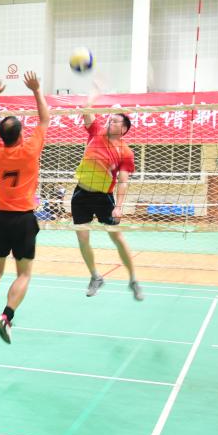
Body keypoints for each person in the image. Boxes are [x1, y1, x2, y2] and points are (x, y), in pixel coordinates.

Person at [0, 72, 48, 344]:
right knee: (24, 273)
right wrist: (36, 90)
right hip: (23, 219)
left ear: (2, 136)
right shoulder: (29, 150)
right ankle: (6, 316)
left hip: (0, 218)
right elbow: (45, 119)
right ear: (21, 134)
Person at [71, 106, 143, 301]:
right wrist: (91, 97)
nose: (111, 121)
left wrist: (118, 206)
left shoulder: (126, 152)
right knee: (82, 238)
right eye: (110, 119)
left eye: (116, 121)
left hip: (104, 197)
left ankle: (133, 279)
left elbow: (123, 181)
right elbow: (86, 111)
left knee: (117, 237)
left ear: (124, 129)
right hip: (81, 194)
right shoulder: (97, 131)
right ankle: (95, 276)